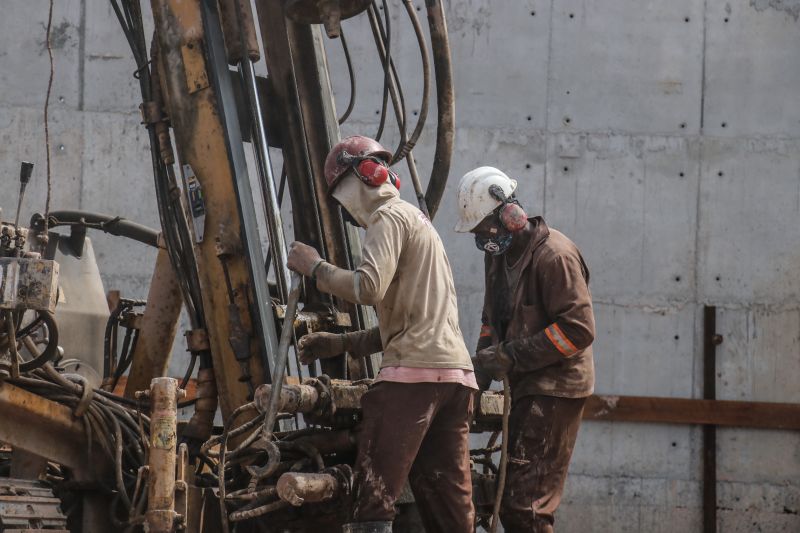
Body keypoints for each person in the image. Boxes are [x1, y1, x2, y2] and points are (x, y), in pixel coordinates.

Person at [286, 135, 477, 533]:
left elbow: (367, 288)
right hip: (456, 379)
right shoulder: (418, 221)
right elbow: (408, 320)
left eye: (340, 192)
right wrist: (341, 343)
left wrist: (315, 268)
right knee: (450, 509)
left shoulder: (387, 218)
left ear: (360, 179)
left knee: (371, 502)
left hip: (412, 381)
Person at [454, 166, 595, 533]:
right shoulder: (496, 256)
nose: (484, 239)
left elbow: (578, 331)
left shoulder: (555, 257)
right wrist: (479, 373)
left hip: (556, 389)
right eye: (477, 234)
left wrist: (511, 356)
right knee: (511, 500)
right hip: (527, 387)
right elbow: (491, 319)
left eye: (486, 229)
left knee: (525, 506)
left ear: (510, 214)